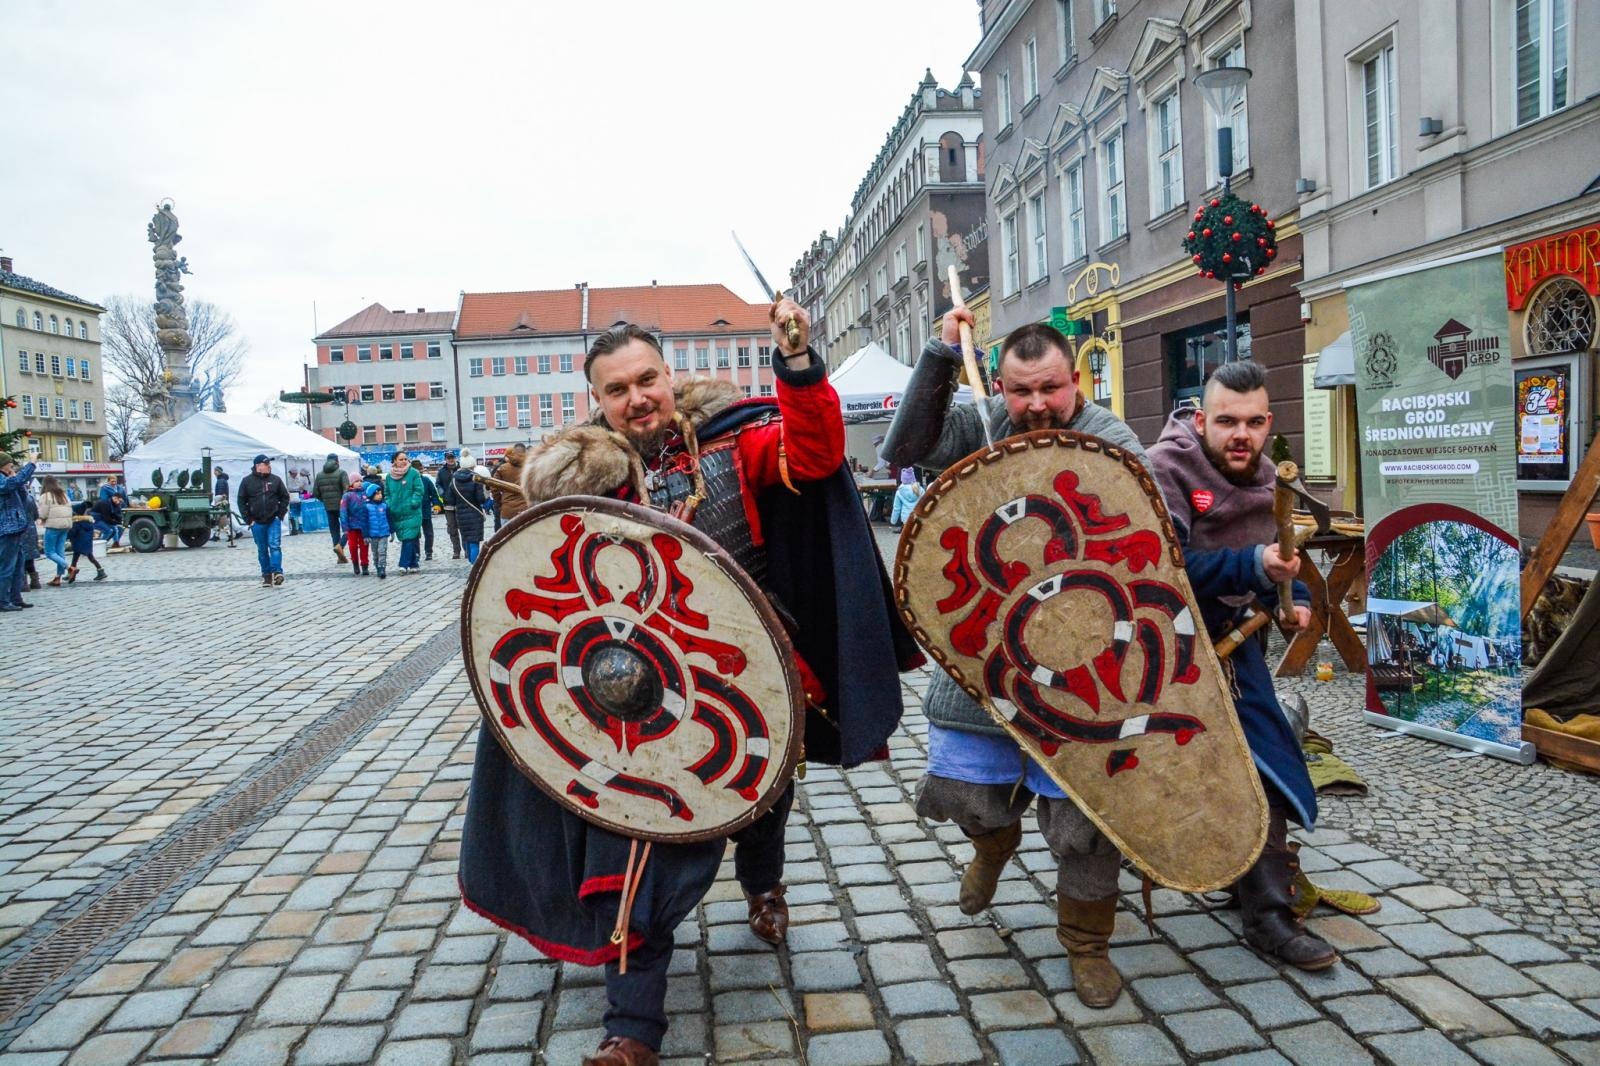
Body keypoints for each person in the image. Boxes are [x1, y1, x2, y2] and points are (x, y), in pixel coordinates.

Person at [461, 304, 916, 1066]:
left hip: (752, 672)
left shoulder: (738, 444)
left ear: (669, 379)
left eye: (646, 380)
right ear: (598, 404)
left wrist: (800, 367)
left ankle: (762, 883)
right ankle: (633, 1029)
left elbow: (813, 454)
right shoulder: (586, 485)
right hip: (633, 698)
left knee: (763, 799)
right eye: (617, 389)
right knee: (639, 839)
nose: (637, 398)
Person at [881, 314, 1152, 1009]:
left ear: (1076, 382)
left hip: (1087, 664)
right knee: (970, 794)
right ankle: (992, 845)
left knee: (1085, 825)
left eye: (1050, 390)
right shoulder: (984, 422)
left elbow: (1152, 536)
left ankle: (1086, 946)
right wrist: (941, 352)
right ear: (999, 384)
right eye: (1021, 390)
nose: (1036, 405)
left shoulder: (1113, 441)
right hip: (985, 657)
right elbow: (907, 446)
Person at [1147, 360, 1335, 971]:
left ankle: (1267, 913)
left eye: (1254, 422)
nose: (1241, 435)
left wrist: (1295, 602)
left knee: (1267, 762)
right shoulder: (1166, 468)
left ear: (1269, 424)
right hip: (1163, 646)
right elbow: (1159, 570)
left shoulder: (1270, 480)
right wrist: (1253, 565)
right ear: (1200, 419)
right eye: (1226, 420)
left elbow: (1284, 564)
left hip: (1235, 645)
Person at [237, 454, 290, 587]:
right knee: (262, 549)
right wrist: (248, 520)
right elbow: (241, 501)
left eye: (269, 464)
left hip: (273, 520)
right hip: (256, 521)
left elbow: (285, 497)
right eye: (266, 464)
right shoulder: (247, 481)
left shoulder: (276, 480)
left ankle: (277, 572)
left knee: (275, 546)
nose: (269, 467)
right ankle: (266, 575)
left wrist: (280, 514)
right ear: (258, 466)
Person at [0, 451, 39, 611]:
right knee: (6, 567)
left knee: (18, 566)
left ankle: (16, 598)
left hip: (17, 528)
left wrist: (19, 482)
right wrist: (32, 463)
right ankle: (3, 601)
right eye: (10, 463)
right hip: (6, 529)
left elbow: (23, 497)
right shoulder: (3, 481)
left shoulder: (9, 479)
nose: (12, 466)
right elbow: (11, 484)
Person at [384, 451, 426, 573]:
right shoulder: (389, 476)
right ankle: (414, 564)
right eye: (401, 459)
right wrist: (390, 504)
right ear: (395, 461)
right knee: (408, 538)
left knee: (408, 537)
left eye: (405, 459)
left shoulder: (413, 473)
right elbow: (386, 493)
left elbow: (419, 490)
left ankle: (403, 564)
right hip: (397, 512)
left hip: (412, 512)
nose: (404, 461)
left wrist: (414, 502)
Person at [450, 451, 488, 563]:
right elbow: (480, 499)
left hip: (461, 514)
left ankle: (471, 563)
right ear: (472, 466)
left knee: (467, 539)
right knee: (474, 542)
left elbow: (451, 499)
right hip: (475, 514)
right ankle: (474, 565)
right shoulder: (475, 479)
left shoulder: (454, 480)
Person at [311, 454, 349, 563]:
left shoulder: (319, 475)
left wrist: (325, 500)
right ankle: (340, 546)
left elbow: (315, 493)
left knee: (334, 531)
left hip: (328, 506)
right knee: (348, 528)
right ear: (337, 461)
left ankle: (339, 556)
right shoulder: (341, 473)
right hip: (342, 506)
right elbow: (346, 490)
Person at [37, 476, 73, 586]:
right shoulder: (64, 495)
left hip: (53, 526)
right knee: (60, 551)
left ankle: (70, 568)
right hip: (66, 525)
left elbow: (43, 513)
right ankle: (58, 577)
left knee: (49, 552)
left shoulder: (45, 496)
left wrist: (41, 519)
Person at [488, 443, 530, 530]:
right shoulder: (530, 468)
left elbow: (493, 486)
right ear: (525, 453)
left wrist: (500, 501)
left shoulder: (502, 468)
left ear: (513, 452)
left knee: (508, 541)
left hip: (507, 510)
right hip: (526, 510)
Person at [66, 501, 105, 582]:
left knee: (89, 557)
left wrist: (66, 536)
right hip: (86, 543)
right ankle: (70, 573)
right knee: (77, 557)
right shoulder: (88, 521)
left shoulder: (77, 522)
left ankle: (100, 570)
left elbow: (73, 533)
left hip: (78, 543)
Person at [341, 473, 371, 576]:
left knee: (364, 546)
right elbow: (343, 511)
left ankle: (365, 565)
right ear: (351, 483)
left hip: (363, 525)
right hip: (352, 526)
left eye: (360, 481)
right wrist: (345, 526)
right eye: (356, 481)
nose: (359, 483)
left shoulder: (365, 494)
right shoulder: (347, 495)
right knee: (353, 546)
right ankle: (355, 563)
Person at [435, 451, 463, 558]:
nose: (450, 459)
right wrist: (443, 494)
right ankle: (456, 551)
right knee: (452, 528)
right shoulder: (442, 471)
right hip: (448, 504)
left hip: (461, 503)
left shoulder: (461, 469)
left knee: (463, 528)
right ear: (445, 459)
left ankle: (467, 549)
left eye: (452, 457)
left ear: (455, 458)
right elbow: (438, 484)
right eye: (448, 458)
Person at [363, 481, 391, 578]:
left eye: (380, 493)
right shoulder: (367, 507)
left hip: (383, 533)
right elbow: (364, 522)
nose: (380, 495)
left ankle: (382, 567)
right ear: (371, 495)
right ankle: (377, 567)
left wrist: (392, 531)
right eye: (377, 494)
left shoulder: (384, 506)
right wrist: (365, 535)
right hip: (373, 534)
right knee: (375, 552)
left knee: (382, 551)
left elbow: (389, 518)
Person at [419, 463, 441, 561]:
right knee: (414, 535)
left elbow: (434, 494)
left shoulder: (426, 480)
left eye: (419, 470)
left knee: (428, 533)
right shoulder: (408, 481)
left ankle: (429, 552)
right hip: (413, 513)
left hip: (425, 511)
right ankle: (416, 553)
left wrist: (436, 505)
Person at [285, 466, 308, 535]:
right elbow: (289, 488)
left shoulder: (300, 478)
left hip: (299, 496)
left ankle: (301, 527)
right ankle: (294, 528)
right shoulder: (288, 479)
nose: (294, 475)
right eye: (293, 474)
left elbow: (303, 487)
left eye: (295, 473)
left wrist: (299, 488)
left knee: (299, 512)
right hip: (291, 497)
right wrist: (297, 488)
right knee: (292, 513)